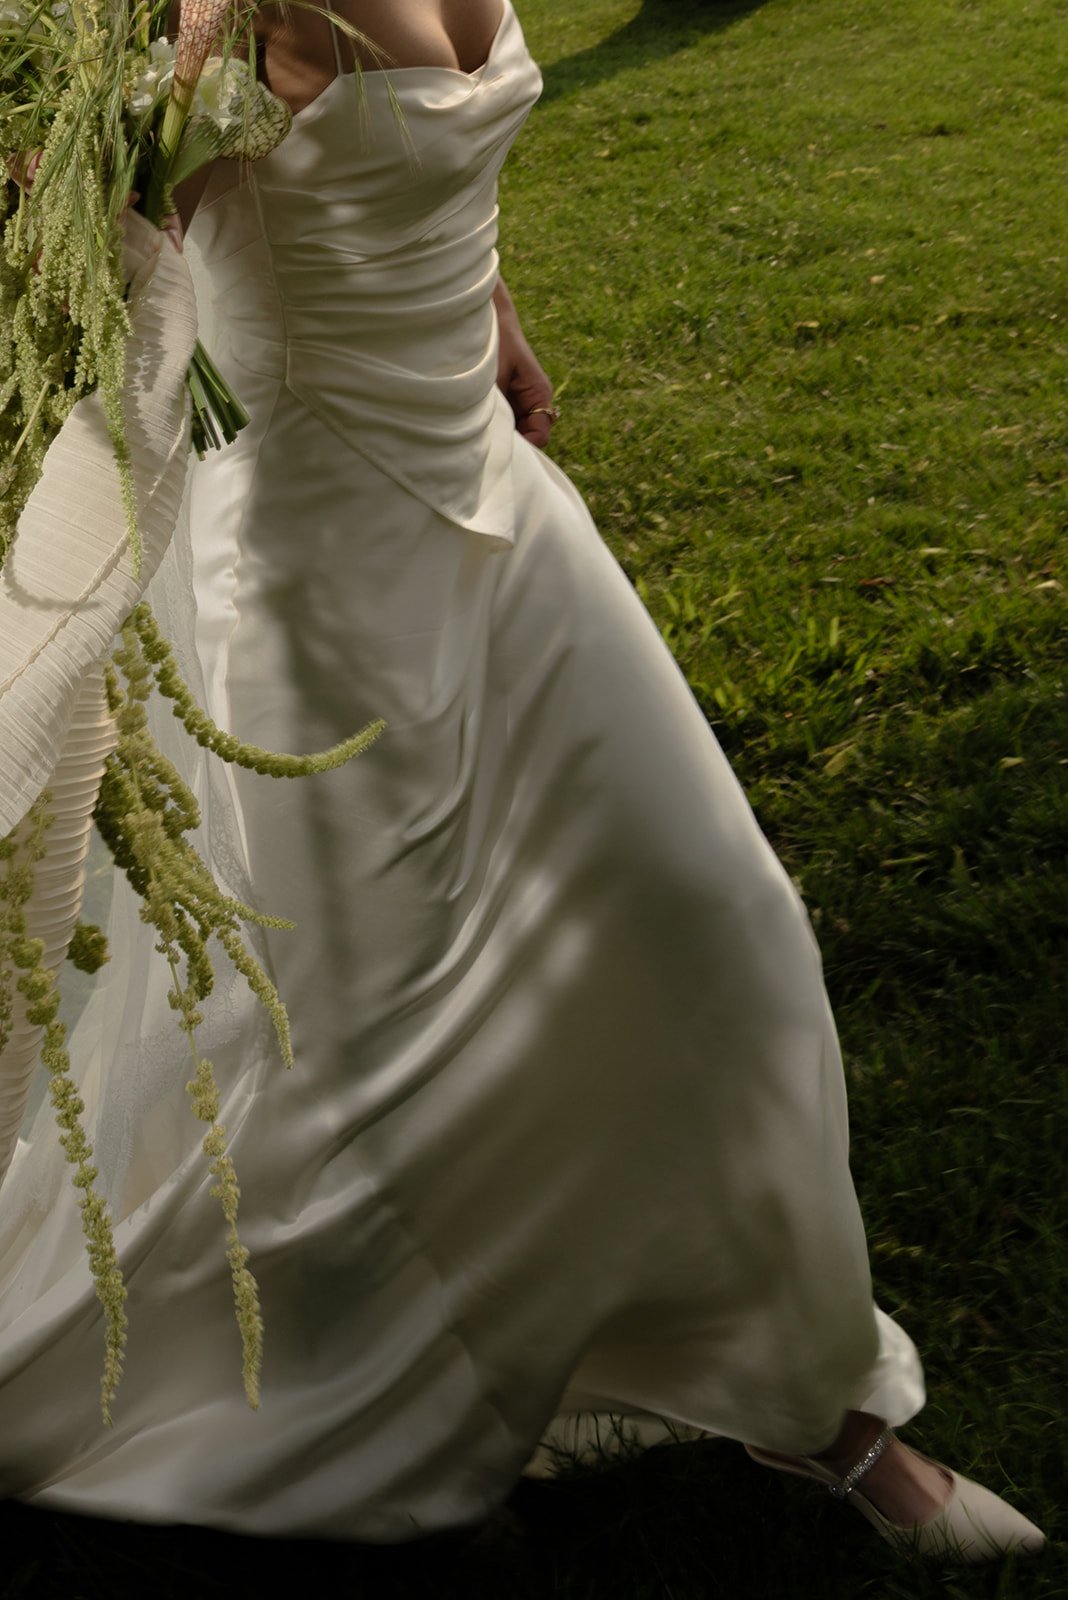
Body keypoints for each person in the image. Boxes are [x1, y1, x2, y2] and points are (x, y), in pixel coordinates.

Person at [0, 0, 1045, 1561]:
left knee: (716, 924)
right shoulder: (179, 14)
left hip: (497, 522)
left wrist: (490, 305)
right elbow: (90, 244)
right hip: (316, 578)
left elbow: (416, 160)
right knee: (361, 1036)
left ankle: (811, 1408)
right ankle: (346, 1395)